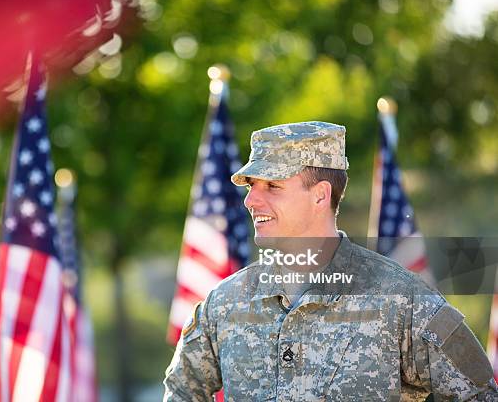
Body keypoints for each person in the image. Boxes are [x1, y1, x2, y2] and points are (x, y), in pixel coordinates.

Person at [163, 121, 498, 401]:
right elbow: (180, 393)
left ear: (321, 195)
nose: (251, 200)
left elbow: (480, 394)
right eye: (251, 186)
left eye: (272, 186)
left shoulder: (401, 299)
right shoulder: (224, 303)